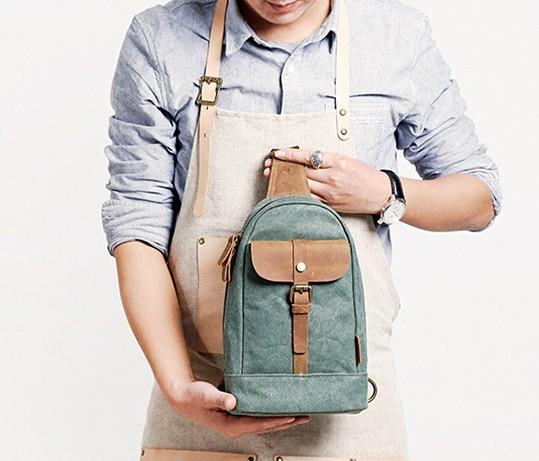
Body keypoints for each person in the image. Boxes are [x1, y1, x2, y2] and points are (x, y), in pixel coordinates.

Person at [100, 0, 502, 459]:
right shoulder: (161, 39)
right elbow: (138, 226)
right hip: (201, 402)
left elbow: (479, 199)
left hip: (353, 418)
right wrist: (177, 386)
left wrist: (383, 191)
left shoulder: (396, 38)